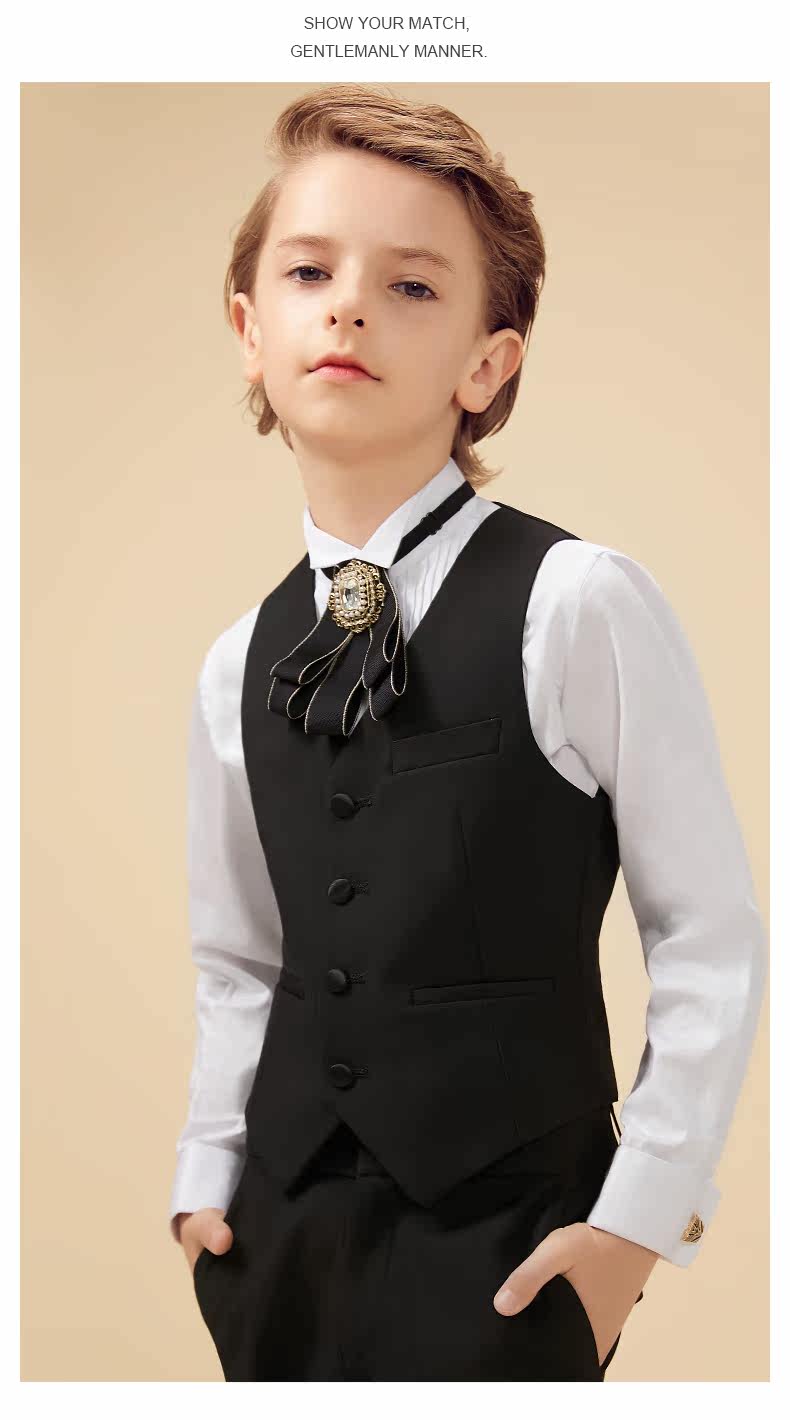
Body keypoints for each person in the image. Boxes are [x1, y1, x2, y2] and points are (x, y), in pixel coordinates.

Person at [168, 83, 767, 1381]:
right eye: (310, 271)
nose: (348, 307)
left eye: (411, 286)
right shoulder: (233, 664)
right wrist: (203, 1182)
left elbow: (707, 935)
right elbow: (240, 961)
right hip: (273, 1245)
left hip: (511, 1247)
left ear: (488, 365)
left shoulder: (578, 603)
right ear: (249, 329)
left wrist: (635, 1230)